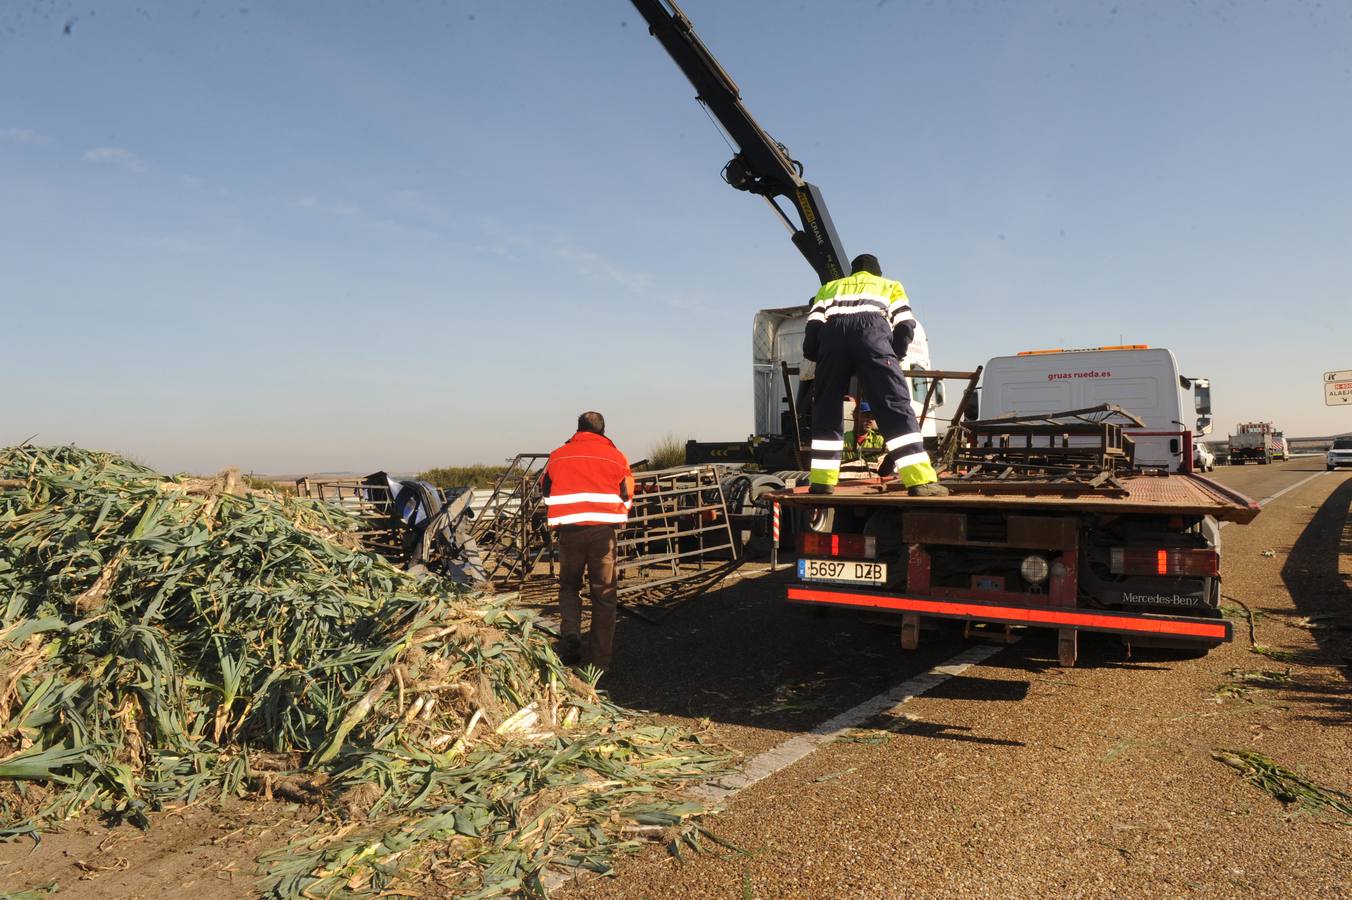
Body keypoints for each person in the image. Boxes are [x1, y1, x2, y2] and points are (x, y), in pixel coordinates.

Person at [802, 253, 948, 497]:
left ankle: (822, 482)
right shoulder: (890, 285)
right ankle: (919, 482)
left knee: (826, 409)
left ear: (853, 272)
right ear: (876, 272)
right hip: (872, 337)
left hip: (832, 339)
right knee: (894, 407)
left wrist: (819, 355)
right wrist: (895, 354)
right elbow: (905, 324)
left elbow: (813, 326)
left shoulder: (828, 288)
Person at [541, 411, 635, 669]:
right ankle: (599, 662)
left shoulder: (557, 455)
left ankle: (571, 633)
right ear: (603, 430)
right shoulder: (617, 457)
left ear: (578, 429)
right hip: (603, 534)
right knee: (604, 594)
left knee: (569, 587)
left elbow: (546, 494)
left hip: (569, 532)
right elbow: (627, 496)